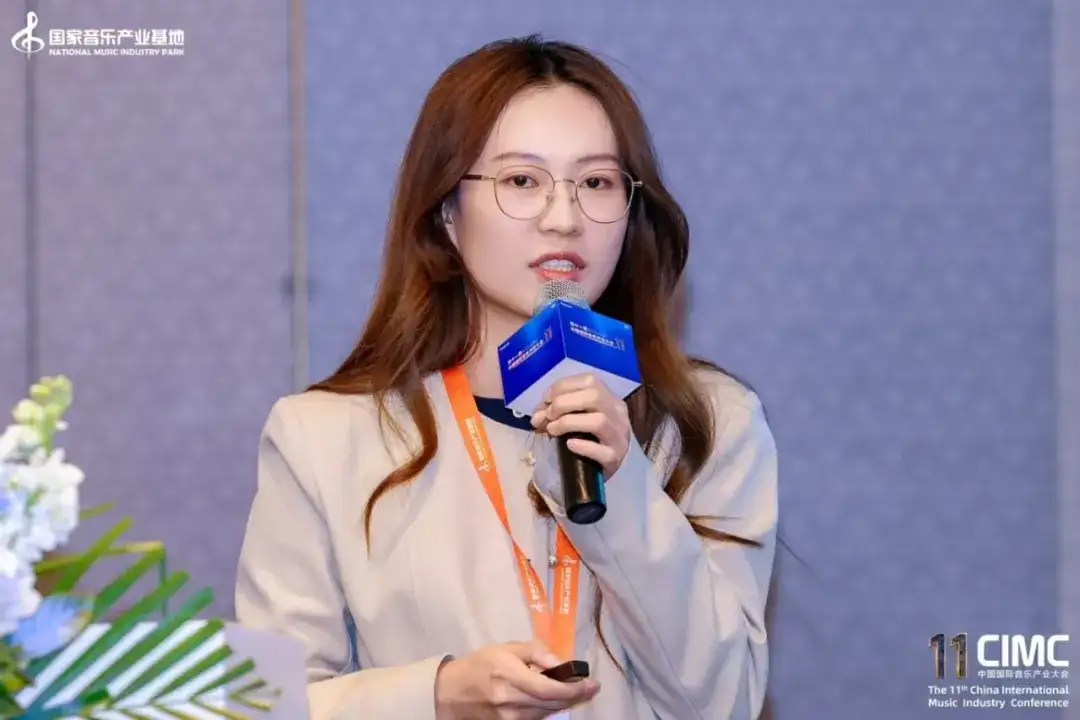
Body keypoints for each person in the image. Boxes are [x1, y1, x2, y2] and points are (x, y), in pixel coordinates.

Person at [235, 34, 779, 720]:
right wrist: (436, 696)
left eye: (596, 182)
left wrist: (626, 489)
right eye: (522, 181)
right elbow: (265, 707)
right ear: (446, 213)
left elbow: (726, 701)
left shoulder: (711, 423)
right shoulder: (325, 439)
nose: (565, 218)